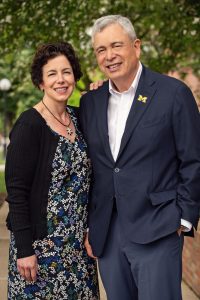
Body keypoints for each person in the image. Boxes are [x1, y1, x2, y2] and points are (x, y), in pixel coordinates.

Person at [80, 15, 200, 300]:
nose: (109, 56)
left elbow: (193, 159)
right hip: (108, 233)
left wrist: (184, 218)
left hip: (158, 227)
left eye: (116, 46)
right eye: (101, 50)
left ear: (136, 46)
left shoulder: (173, 94)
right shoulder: (90, 102)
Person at [5, 42, 99, 299]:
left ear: (75, 76)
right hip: (40, 252)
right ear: (41, 82)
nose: (61, 79)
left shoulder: (81, 118)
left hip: (79, 251)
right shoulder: (29, 124)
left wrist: (103, 90)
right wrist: (25, 250)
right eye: (52, 74)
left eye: (66, 72)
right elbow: (16, 191)